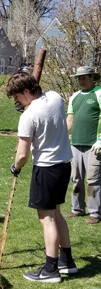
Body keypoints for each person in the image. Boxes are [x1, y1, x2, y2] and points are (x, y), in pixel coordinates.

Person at [6, 72, 77, 283]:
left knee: (47, 219)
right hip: (64, 165)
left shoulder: (28, 117)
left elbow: (22, 154)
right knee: (56, 214)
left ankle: (50, 270)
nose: (17, 102)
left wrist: (15, 167)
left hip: (46, 169)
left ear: (27, 92)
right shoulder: (55, 97)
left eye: (18, 97)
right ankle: (67, 262)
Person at [66, 66, 101, 224]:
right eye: (79, 78)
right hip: (76, 144)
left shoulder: (99, 93)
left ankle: (95, 213)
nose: (81, 80)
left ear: (92, 77)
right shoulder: (74, 97)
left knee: (93, 179)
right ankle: (77, 209)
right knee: (76, 178)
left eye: (84, 77)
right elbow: (70, 119)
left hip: (94, 144)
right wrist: (63, 136)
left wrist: (100, 139)